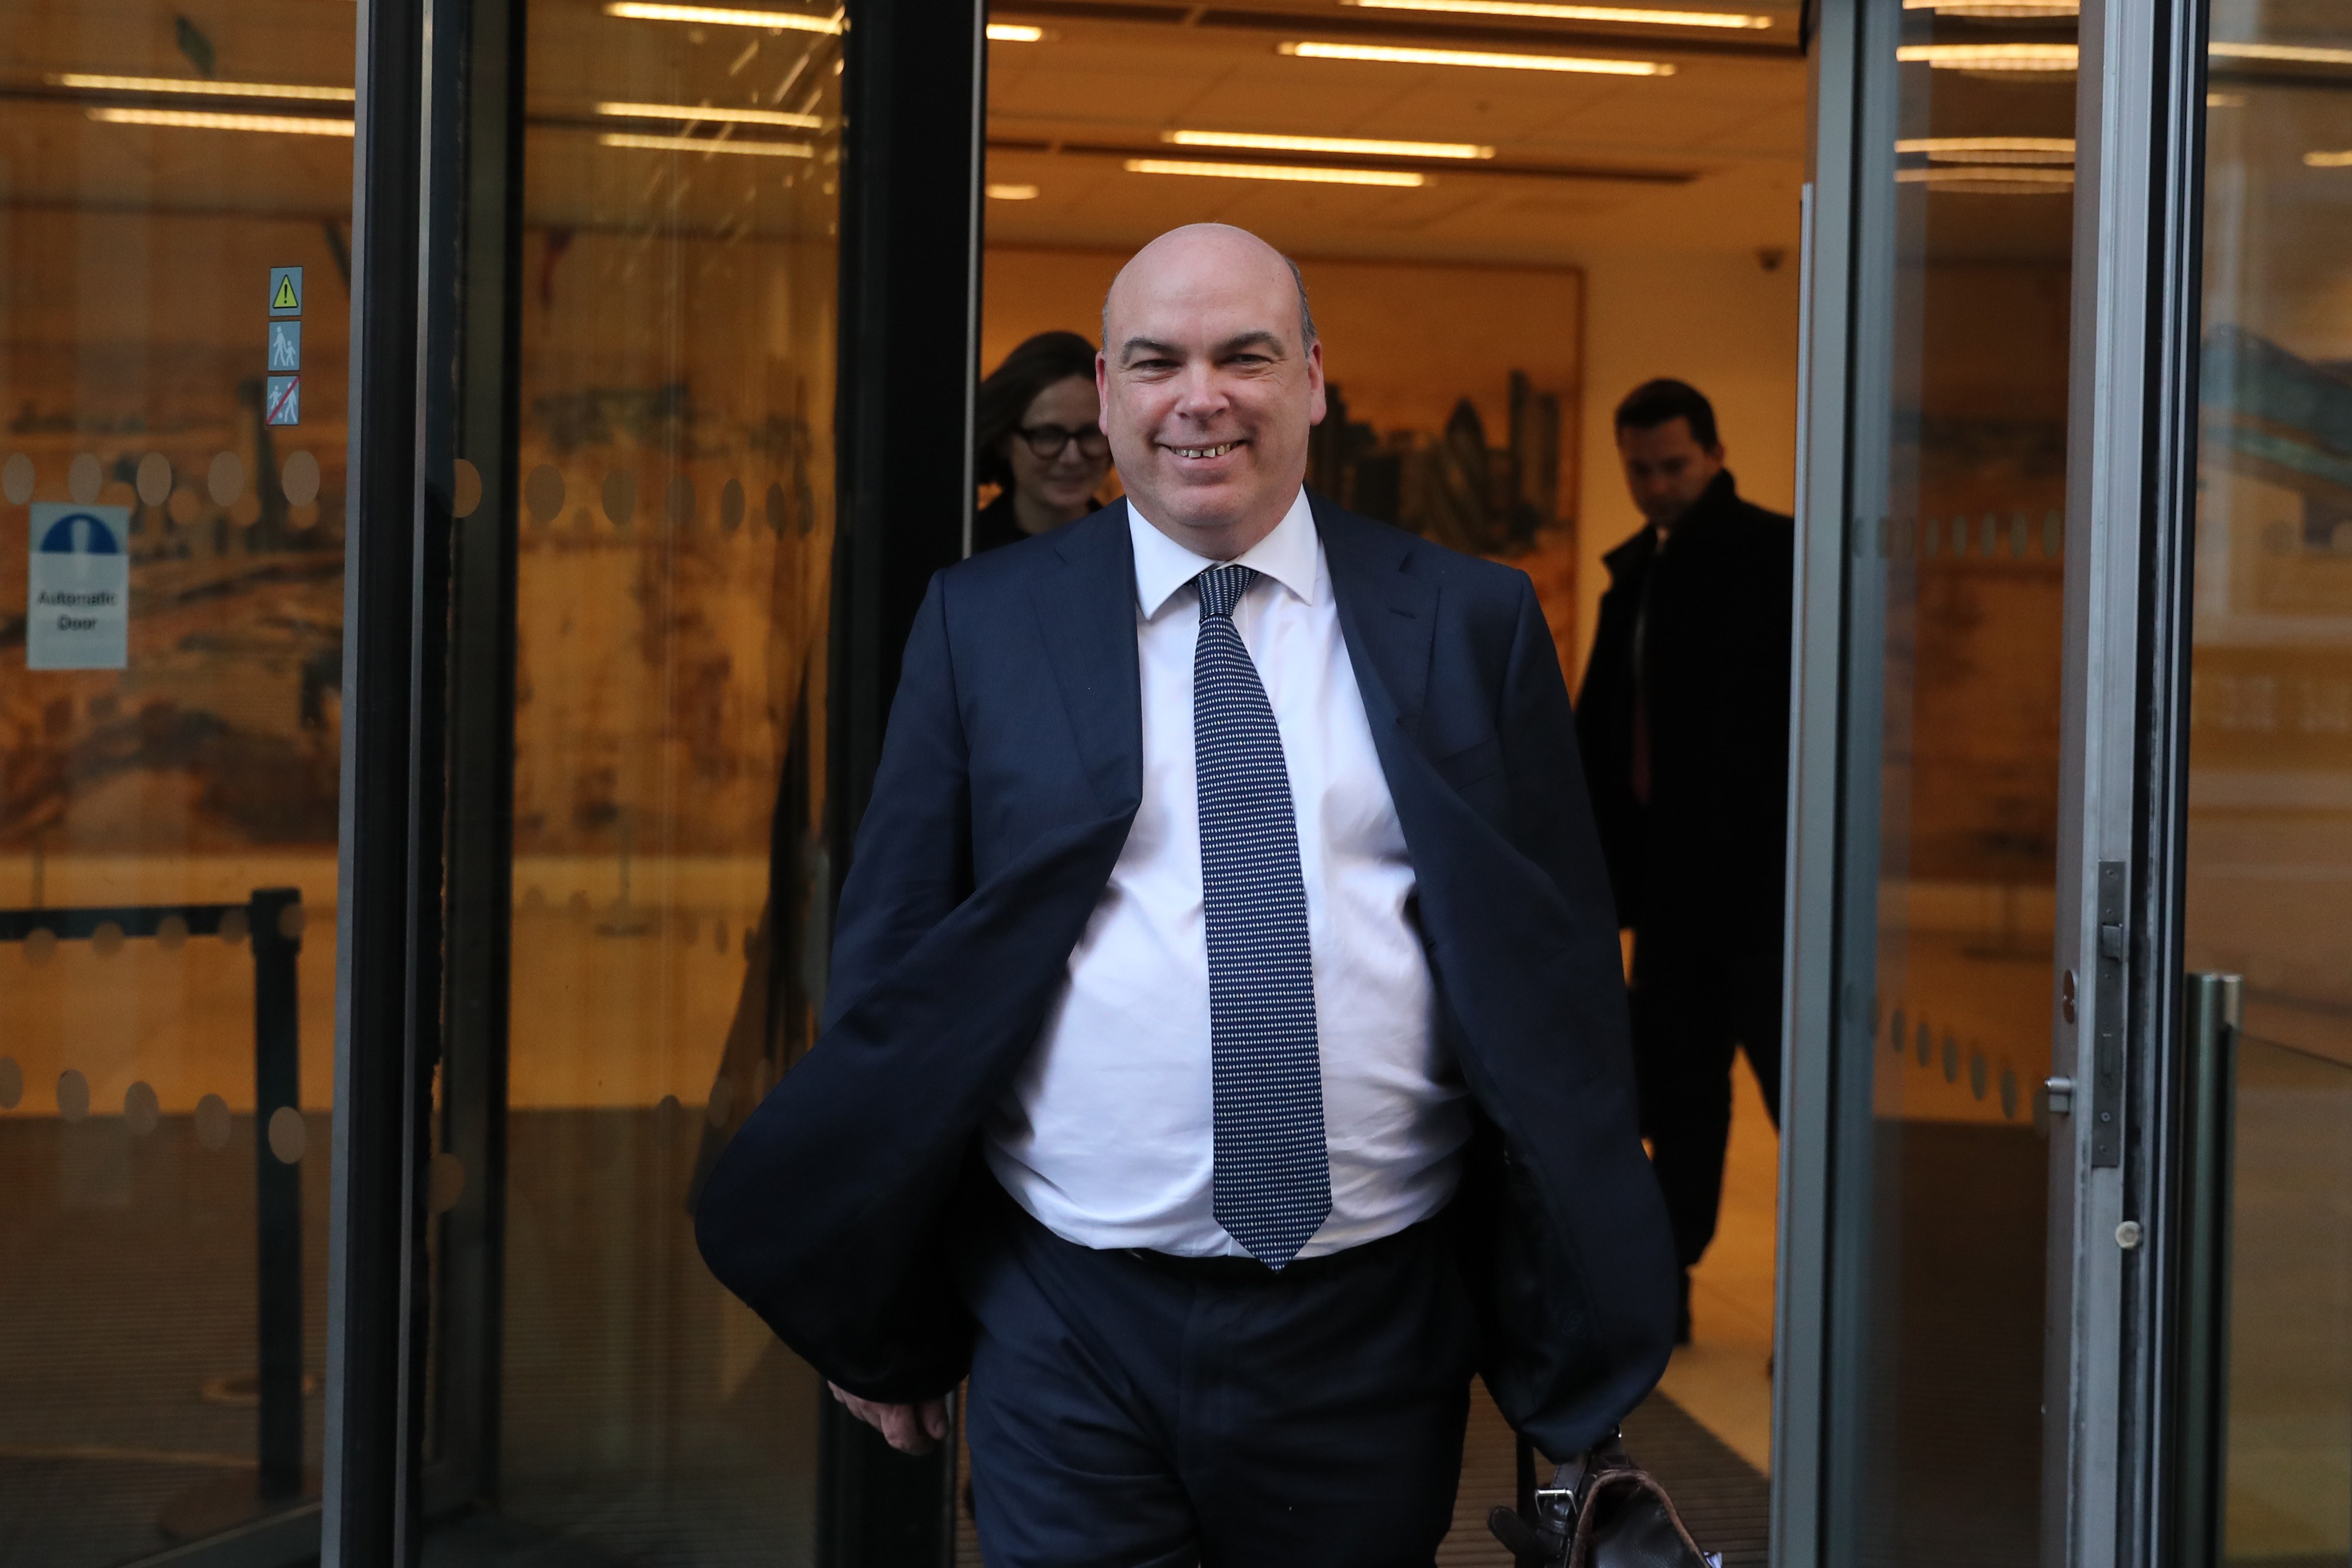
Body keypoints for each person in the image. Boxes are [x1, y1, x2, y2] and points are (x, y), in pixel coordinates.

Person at [695, 223, 1675, 1567]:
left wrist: (1578, 1320)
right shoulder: (983, 625)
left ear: (1315, 380)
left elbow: (1555, 978)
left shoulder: (1469, 622)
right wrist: (884, 1288)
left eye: (1245, 356)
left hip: (1370, 1329)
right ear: (1105, 395)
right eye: (1155, 361)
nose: (1199, 396)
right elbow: (896, 979)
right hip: (1064, 1320)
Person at [1574, 378, 1793, 1346]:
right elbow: (1605, 737)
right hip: (1672, 901)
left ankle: (1833, 1302)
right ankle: (1666, 1292)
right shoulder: (1644, 575)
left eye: (1673, 465)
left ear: (1714, 453)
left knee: (1796, 1098)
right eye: (1640, 469)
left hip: (1760, 898)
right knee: (1677, 1101)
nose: (1658, 486)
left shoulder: (1776, 560)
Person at [972, 329, 1114, 551]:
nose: (1072, 457)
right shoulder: (963, 553)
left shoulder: (1135, 552)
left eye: (1090, 433)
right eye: (1048, 435)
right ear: (1003, 441)